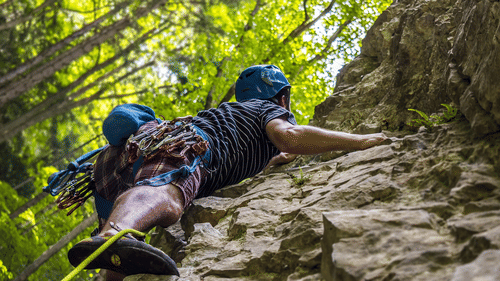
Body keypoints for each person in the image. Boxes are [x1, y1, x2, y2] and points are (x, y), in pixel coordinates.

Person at [67, 64, 387, 280]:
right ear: (282, 97)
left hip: (116, 163)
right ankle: (112, 235)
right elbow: (289, 136)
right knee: (168, 195)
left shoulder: (236, 117)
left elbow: (272, 153)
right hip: (184, 144)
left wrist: (275, 160)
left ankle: (110, 249)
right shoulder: (268, 110)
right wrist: (362, 141)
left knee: (120, 252)